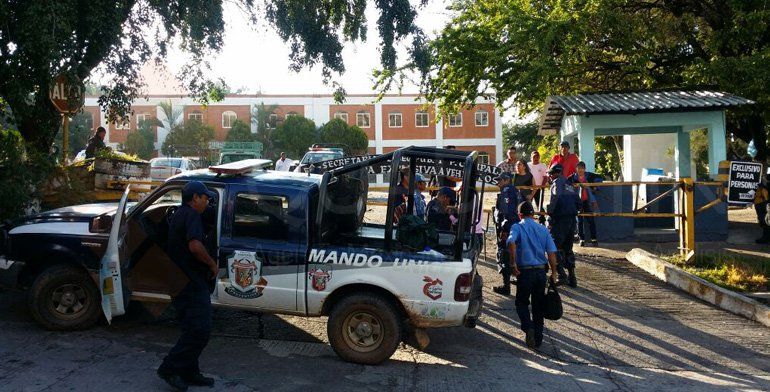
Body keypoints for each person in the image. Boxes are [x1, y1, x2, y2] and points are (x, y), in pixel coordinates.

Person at [157, 181, 219, 391]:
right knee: (200, 330)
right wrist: (212, 264)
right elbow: (195, 246)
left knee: (191, 328)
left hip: (180, 281)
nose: (207, 201)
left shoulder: (180, 214)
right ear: (195, 198)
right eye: (205, 197)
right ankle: (170, 368)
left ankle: (189, 371)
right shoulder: (191, 215)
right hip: (189, 283)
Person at [507, 201, 558, 349]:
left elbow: (511, 242)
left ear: (519, 215)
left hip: (525, 272)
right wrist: (554, 272)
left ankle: (528, 327)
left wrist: (512, 264)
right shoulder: (543, 229)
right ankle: (538, 339)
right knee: (538, 306)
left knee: (521, 303)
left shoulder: (517, 227)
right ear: (533, 214)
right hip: (541, 272)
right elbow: (551, 253)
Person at [546, 164, 581, 287]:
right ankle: (572, 277)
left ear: (556, 173)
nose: (550, 176)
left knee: (553, 247)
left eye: (551, 174)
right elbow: (579, 203)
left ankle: (561, 275)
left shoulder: (557, 183)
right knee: (568, 249)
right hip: (571, 220)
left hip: (560, 220)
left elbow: (556, 197)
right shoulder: (569, 184)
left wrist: (550, 212)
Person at [493, 172, 520, 295]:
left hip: (508, 227)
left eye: (500, 180)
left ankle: (506, 286)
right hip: (517, 227)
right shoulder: (516, 191)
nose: (498, 183)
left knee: (504, 254)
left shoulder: (506, 191)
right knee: (516, 254)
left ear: (507, 180)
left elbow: (506, 213)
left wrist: (504, 229)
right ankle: (518, 281)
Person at [567, 161, 603, 246]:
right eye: (578, 168)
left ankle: (594, 239)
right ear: (576, 169)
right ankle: (582, 239)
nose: (580, 170)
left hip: (588, 201)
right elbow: (566, 186)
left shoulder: (589, 176)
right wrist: (573, 188)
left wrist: (593, 187)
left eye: (582, 168)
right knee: (579, 221)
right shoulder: (572, 178)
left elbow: (600, 178)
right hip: (577, 201)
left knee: (591, 220)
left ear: (585, 169)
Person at [754, 174, 770, 244]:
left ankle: (765, 238)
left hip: (764, 204)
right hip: (762, 204)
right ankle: (765, 238)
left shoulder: (765, 186)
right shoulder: (763, 185)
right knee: (764, 221)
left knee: (766, 222)